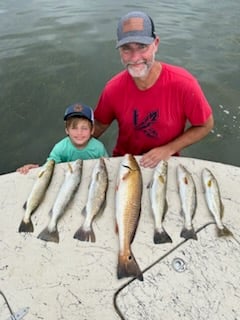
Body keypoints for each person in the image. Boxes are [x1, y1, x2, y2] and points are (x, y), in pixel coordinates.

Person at [93, 11, 214, 168]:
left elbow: (205, 125)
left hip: (165, 162)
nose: (135, 58)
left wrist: (169, 149)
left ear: (156, 43)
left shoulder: (184, 84)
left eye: (142, 47)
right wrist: (72, 144)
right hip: (125, 162)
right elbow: (101, 124)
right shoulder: (113, 88)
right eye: (126, 48)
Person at [17, 103, 108, 174]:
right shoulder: (60, 148)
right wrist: (34, 169)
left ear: (92, 130)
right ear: (67, 130)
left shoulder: (98, 148)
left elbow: (107, 166)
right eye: (74, 128)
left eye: (84, 128)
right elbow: (49, 166)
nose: (79, 133)